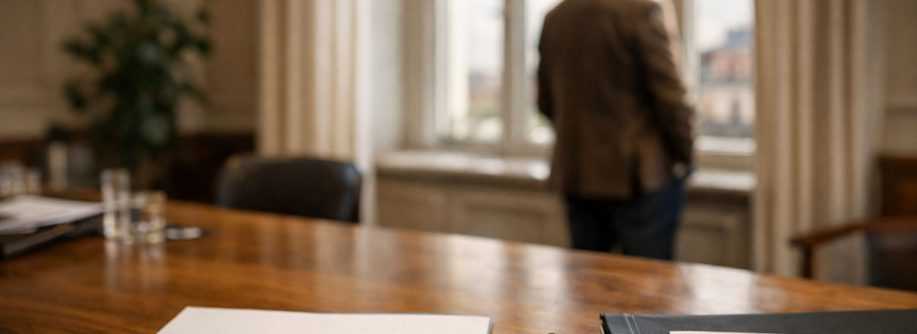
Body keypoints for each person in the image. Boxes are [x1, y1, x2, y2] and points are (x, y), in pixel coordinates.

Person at [537, 0, 694, 260]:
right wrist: (685, 156)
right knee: (648, 286)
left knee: (587, 283)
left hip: (577, 170)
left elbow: (545, 101)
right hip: (637, 175)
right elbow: (672, 100)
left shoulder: (557, 16)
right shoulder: (644, 10)